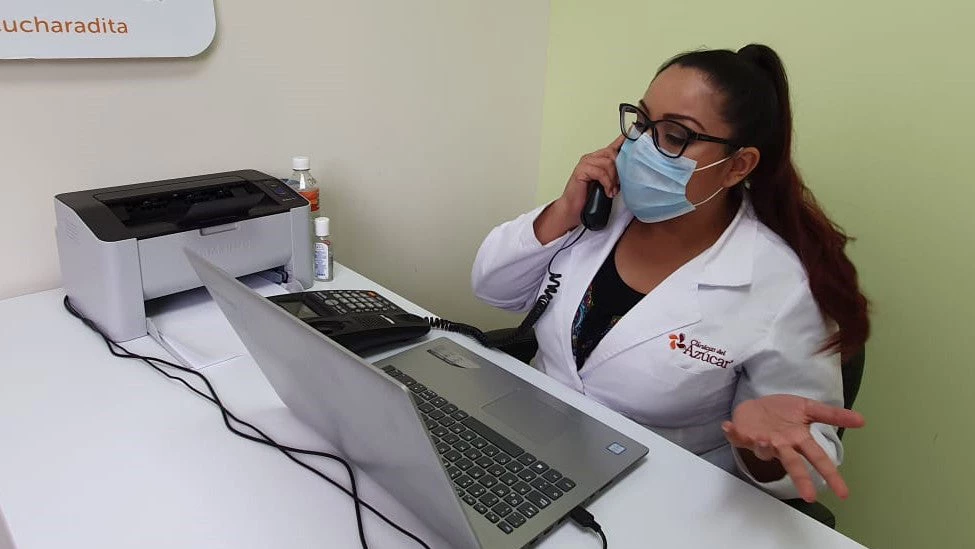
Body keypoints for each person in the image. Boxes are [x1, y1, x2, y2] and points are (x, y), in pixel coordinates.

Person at [472, 44, 869, 503]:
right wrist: (563, 212)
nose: (643, 147)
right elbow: (492, 288)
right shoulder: (599, 212)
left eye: (676, 135)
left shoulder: (780, 284)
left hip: (652, 495)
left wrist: (761, 448)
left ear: (738, 166)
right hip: (522, 449)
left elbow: (806, 455)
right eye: (642, 123)